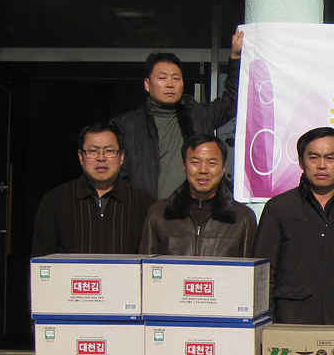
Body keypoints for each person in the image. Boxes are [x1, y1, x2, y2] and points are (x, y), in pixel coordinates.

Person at [252, 126, 334, 324]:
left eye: (330, 158)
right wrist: (267, 323)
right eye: (313, 157)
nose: (322, 165)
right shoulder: (280, 209)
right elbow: (264, 273)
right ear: (301, 162)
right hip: (292, 322)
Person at [111, 29, 244, 199]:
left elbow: (231, 101)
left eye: (176, 78)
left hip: (196, 214)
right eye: (162, 78)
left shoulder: (199, 115)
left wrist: (235, 58)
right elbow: (117, 175)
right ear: (147, 84)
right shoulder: (126, 125)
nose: (170, 84)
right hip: (149, 214)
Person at [31, 123, 152, 257]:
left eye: (109, 151)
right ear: (81, 157)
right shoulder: (55, 201)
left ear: (121, 156)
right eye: (93, 151)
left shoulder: (143, 203)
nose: (101, 158)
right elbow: (41, 262)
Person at [139, 134, 257, 257]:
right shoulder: (159, 214)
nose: (203, 170)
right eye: (195, 163)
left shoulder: (243, 218)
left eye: (212, 164)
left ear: (223, 168)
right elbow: (147, 268)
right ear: (184, 166)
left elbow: (249, 272)